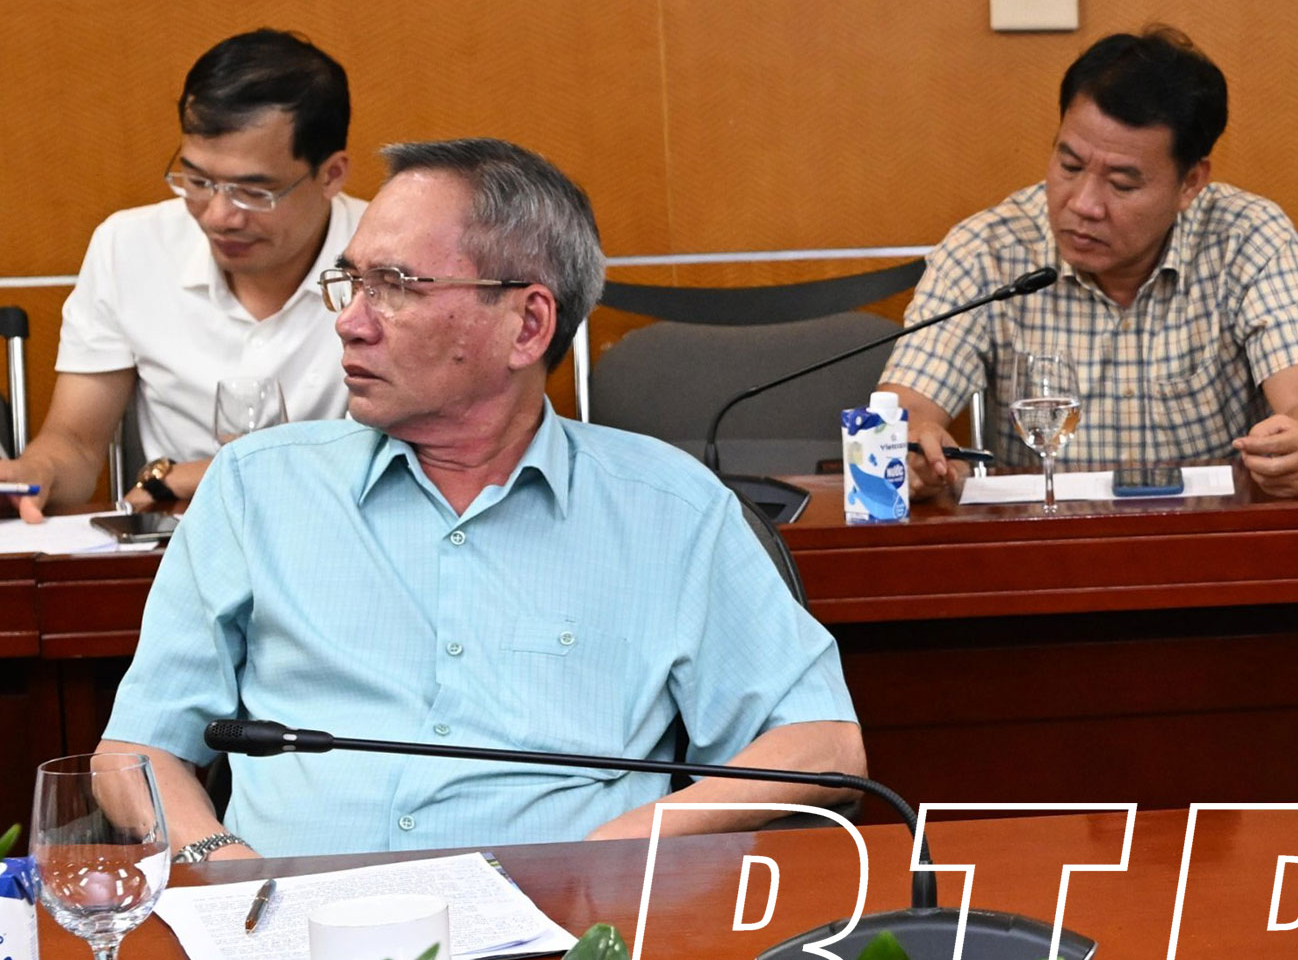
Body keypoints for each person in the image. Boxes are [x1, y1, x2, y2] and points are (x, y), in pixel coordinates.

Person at [97, 138, 863, 859]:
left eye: (394, 287)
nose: (350, 322)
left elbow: (824, 743)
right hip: (289, 928)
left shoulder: (670, 509)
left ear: (527, 325)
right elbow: (134, 752)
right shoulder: (256, 488)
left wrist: (626, 845)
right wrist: (223, 867)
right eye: (353, 282)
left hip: (571, 927)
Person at [882, 28, 1298, 501]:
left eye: (1122, 184)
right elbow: (907, 408)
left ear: (1190, 183)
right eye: (1070, 166)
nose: (1084, 204)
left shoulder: (1246, 237)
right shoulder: (987, 249)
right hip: (1044, 536)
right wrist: (913, 448)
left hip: (1210, 533)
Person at [6, 31, 363, 521]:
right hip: (175, 544)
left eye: (253, 192)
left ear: (331, 175)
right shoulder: (129, 246)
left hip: (342, 535)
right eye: (197, 181)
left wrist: (201, 474)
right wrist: (36, 471)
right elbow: (76, 443)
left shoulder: (397, 263)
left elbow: (410, 456)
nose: (218, 216)